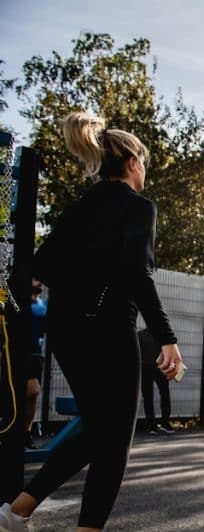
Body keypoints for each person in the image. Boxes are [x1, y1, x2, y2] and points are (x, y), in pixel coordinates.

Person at [0, 112, 183, 532]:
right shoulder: (138, 208)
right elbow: (139, 275)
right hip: (110, 332)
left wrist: (84, 280)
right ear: (133, 163)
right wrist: (166, 338)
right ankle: (38, 516)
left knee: (102, 430)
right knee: (114, 438)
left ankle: (17, 511)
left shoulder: (81, 207)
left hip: (67, 332)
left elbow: (39, 265)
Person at [23, 280, 47, 449]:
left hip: (37, 356)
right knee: (30, 391)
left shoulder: (43, 305)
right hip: (20, 355)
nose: (39, 281)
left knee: (32, 398)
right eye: (35, 278)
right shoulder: (20, 303)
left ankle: (26, 433)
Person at [138, 327, 174, 435]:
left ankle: (152, 426)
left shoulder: (140, 335)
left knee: (149, 397)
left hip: (147, 369)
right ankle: (164, 424)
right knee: (164, 395)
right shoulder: (161, 334)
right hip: (159, 368)